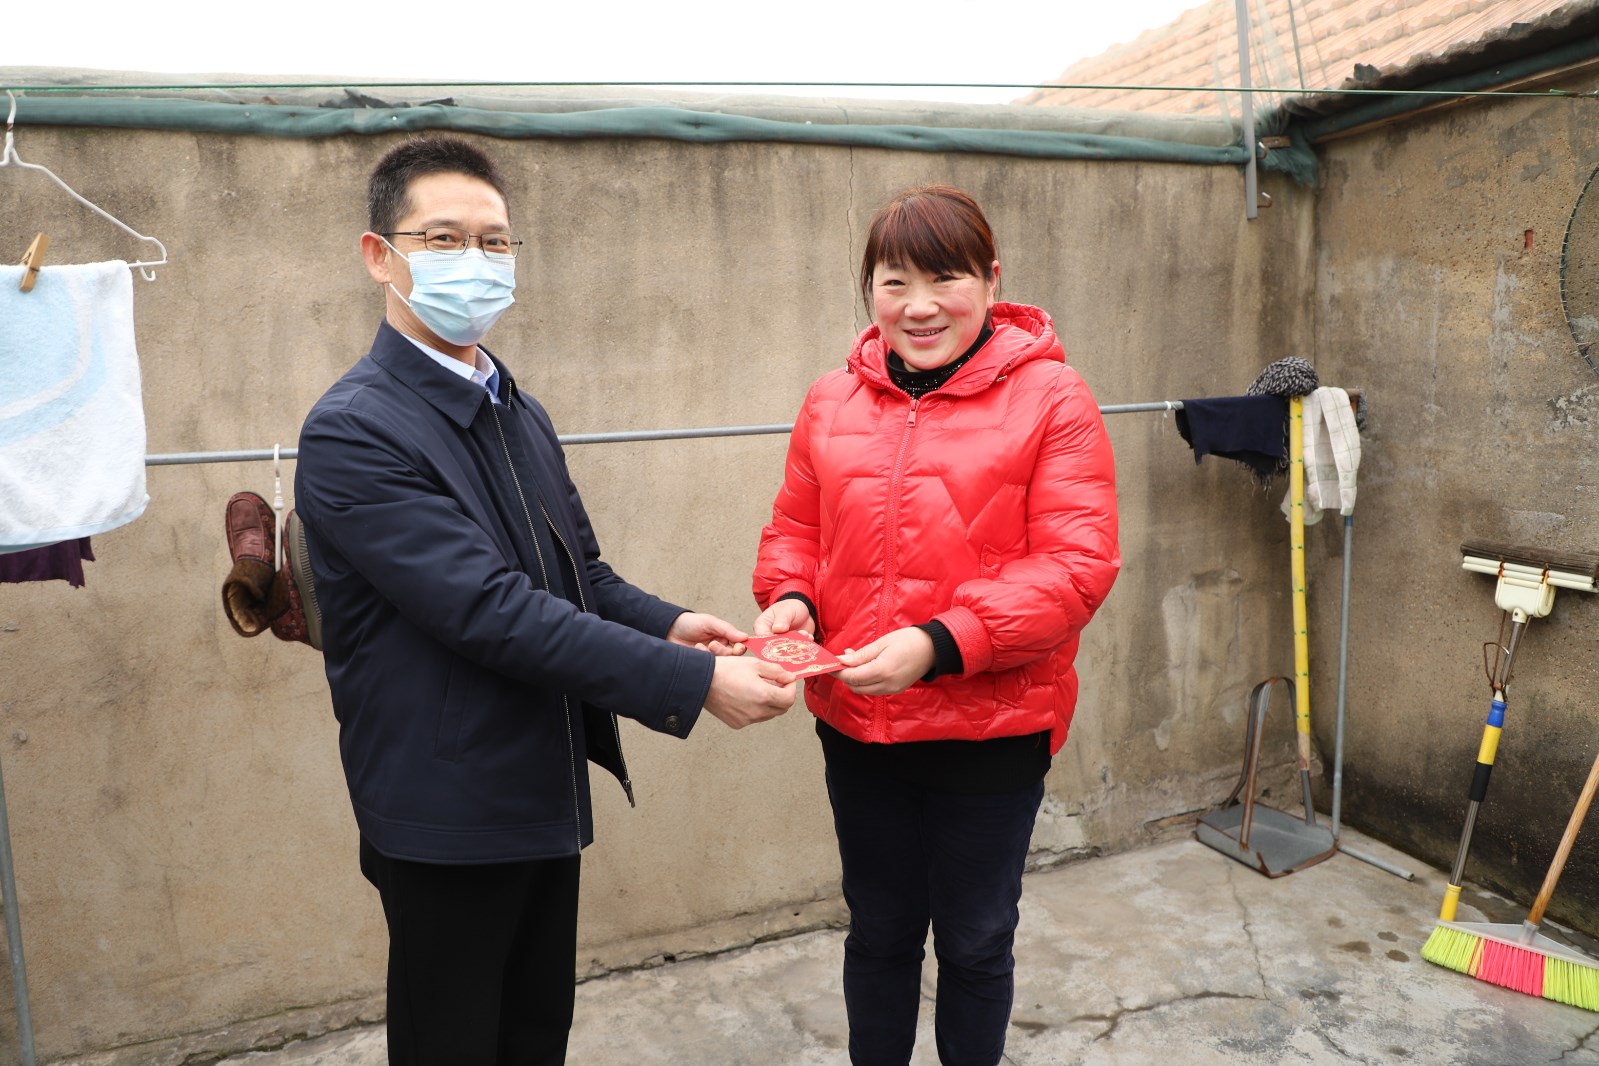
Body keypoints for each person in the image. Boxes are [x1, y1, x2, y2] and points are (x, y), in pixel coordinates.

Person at [294, 135, 796, 1066]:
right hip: (445, 810)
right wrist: (691, 683)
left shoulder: (514, 409)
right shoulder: (354, 431)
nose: (475, 261)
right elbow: (492, 611)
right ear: (380, 256)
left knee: (532, 1036)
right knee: (454, 1045)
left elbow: (580, 576)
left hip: (538, 783)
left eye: (494, 242)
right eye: (444, 239)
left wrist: (674, 625)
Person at [752, 184, 1120, 1066]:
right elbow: (796, 529)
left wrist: (939, 642)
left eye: (943, 278)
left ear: (990, 281)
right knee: (877, 932)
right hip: (860, 721)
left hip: (989, 730)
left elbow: (1077, 566)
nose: (918, 307)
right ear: (869, 291)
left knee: (975, 940)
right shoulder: (830, 400)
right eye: (893, 282)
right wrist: (792, 596)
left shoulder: (1053, 397)